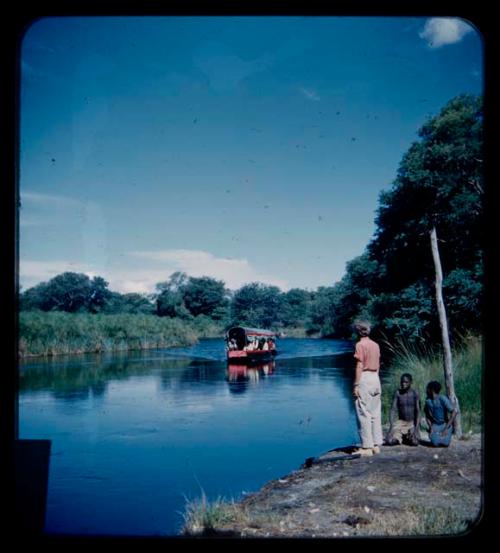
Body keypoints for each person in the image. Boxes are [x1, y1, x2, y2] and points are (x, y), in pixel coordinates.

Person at [352, 320, 383, 456]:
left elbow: (359, 365)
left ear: (359, 332)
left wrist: (356, 385)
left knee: (363, 411)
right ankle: (376, 444)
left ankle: (367, 447)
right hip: (375, 377)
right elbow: (378, 364)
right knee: (375, 412)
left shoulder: (360, 345)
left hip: (365, 377)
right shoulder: (376, 345)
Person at [385, 373, 421, 446]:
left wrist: (416, 428)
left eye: (406, 382)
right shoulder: (398, 393)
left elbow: (418, 411)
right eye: (402, 382)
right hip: (401, 422)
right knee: (389, 441)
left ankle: (407, 436)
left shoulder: (415, 393)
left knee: (415, 442)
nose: (403, 384)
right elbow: (393, 409)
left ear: (411, 382)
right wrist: (391, 426)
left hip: (412, 422)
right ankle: (400, 438)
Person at [424, 381, 457, 447]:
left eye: (427, 389)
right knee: (435, 443)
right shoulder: (428, 401)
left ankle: (446, 432)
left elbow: (454, 412)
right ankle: (437, 434)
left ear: (432, 390)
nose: (426, 391)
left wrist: (446, 428)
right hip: (435, 425)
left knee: (445, 443)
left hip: (445, 424)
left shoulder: (442, 398)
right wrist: (431, 427)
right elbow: (427, 415)